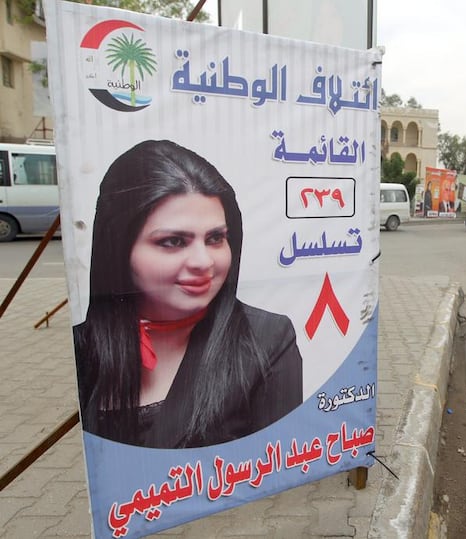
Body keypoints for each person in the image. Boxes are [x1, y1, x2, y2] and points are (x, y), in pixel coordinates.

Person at [73, 140, 303, 448]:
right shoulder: (81, 346)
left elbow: (278, 459)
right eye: (173, 241)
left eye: (215, 238)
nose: (203, 262)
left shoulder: (266, 338)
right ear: (118, 247)